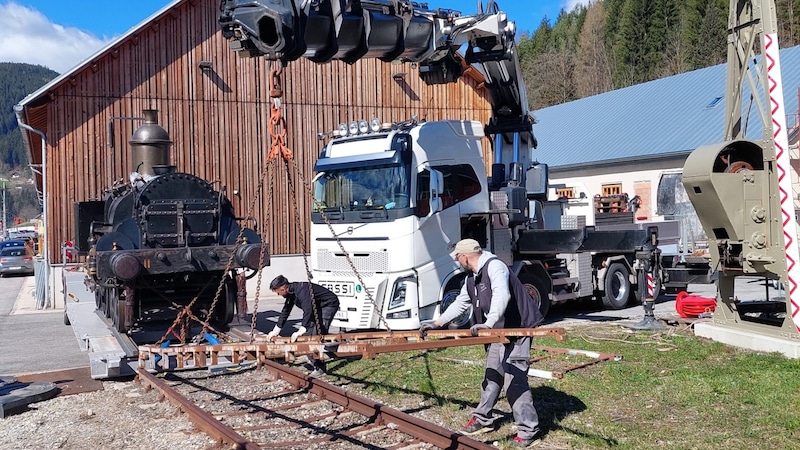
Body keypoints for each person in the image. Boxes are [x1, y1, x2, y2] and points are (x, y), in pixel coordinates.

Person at [420, 238, 543, 447]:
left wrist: (489, 322)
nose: (458, 262)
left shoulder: (495, 267)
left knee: (514, 380)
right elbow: (461, 304)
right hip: (497, 330)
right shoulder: (472, 278)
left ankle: (528, 430)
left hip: (519, 329)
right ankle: (483, 417)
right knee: (492, 374)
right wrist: (436, 323)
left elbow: (502, 293)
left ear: (464, 256)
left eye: (458, 258)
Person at [266, 275, 340, 377]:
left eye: (278, 291)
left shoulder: (302, 291)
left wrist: (302, 329)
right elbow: (285, 311)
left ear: (283, 288)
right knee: (307, 335)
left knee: (316, 335)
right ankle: (314, 360)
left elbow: (308, 310)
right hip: (317, 307)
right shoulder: (291, 293)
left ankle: (320, 368)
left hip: (328, 304)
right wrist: (276, 330)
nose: (278, 294)